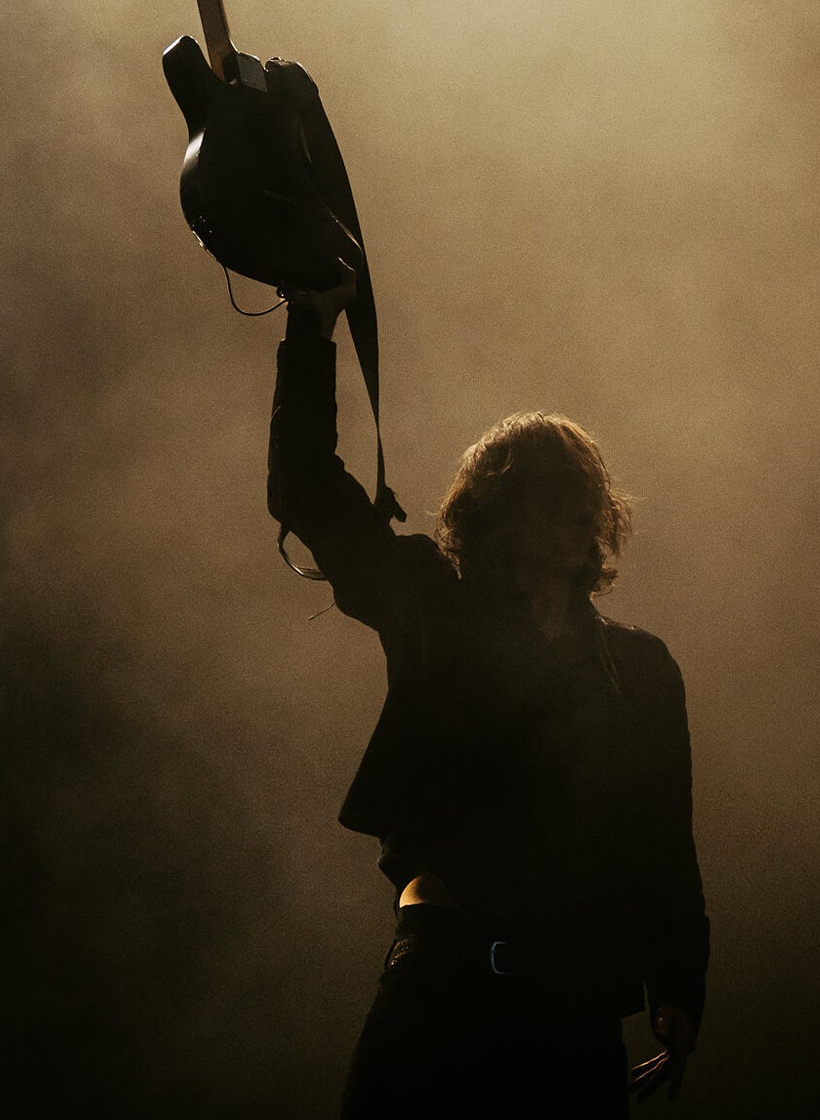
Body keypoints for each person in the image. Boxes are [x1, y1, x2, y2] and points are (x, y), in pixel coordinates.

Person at [269, 266, 709, 1117]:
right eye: (546, 496)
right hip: (443, 995)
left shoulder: (642, 667)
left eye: (583, 497)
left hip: (573, 1018)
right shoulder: (432, 603)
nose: (574, 516)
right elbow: (308, 490)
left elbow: (666, 842)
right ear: (495, 511)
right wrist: (310, 333)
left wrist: (679, 989)